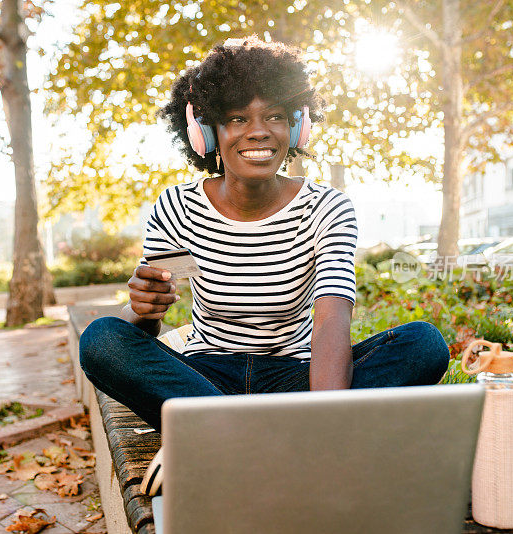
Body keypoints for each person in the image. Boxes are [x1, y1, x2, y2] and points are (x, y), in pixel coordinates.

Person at [79, 36, 450, 433]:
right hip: (204, 380)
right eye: (238, 119)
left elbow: (330, 320)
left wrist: (327, 417)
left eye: (274, 116)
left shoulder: (327, 207)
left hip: (296, 381)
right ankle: (262, 437)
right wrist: (143, 310)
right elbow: (144, 330)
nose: (258, 132)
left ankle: (219, 436)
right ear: (207, 132)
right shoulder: (176, 207)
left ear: (296, 127)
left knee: (423, 345)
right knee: (102, 338)